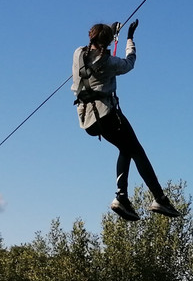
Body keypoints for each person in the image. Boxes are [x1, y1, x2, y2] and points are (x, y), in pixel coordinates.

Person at [72, 19, 180, 221]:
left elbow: (94, 49)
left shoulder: (78, 53)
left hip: (87, 118)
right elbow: (129, 62)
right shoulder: (110, 62)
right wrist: (130, 39)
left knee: (126, 149)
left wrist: (111, 34)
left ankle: (122, 197)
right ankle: (159, 198)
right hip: (107, 115)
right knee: (137, 151)